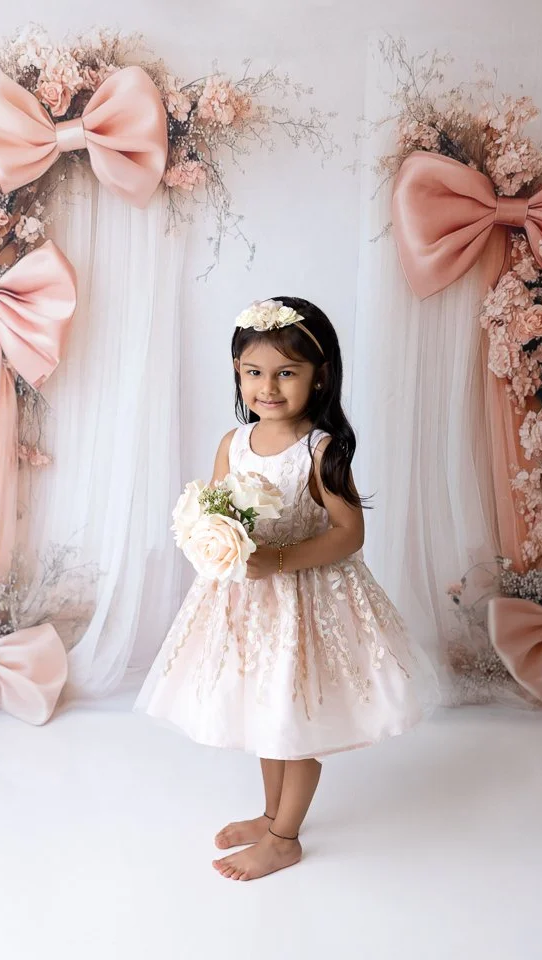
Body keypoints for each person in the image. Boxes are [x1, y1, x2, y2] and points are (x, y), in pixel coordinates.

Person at [135, 297, 436, 881]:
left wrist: (277, 559)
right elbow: (213, 508)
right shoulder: (233, 442)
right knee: (266, 713)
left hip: (303, 600)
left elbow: (350, 534)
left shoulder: (320, 451)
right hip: (247, 603)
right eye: (254, 373)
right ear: (237, 374)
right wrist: (211, 539)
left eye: (286, 373)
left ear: (318, 376)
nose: (268, 387)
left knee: (292, 721)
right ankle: (272, 814)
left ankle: (283, 839)